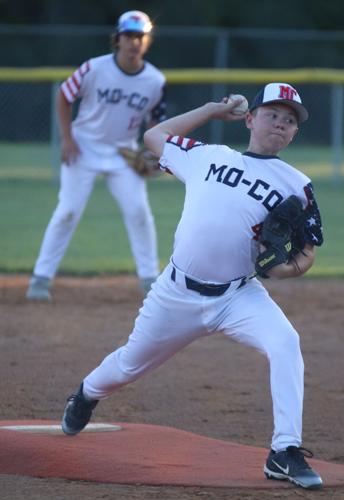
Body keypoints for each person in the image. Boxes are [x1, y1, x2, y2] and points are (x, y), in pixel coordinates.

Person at [61, 83, 324, 490]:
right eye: (273, 114)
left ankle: (283, 451)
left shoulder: (298, 185)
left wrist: (282, 271)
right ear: (251, 119)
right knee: (129, 364)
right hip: (176, 294)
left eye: (290, 121)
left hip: (239, 296)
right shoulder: (207, 156)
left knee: (285, 343)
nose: (281, 124)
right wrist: (210, 110)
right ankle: (87, 393)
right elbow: (153, 138)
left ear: (294, 134)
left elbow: (307, 252)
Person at [26, 10, 166, 301]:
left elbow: (156, 122)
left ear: (147, 41)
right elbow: (64, 96)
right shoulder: (95, 68)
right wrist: (67, 138)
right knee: (67, 211)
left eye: (139, 37)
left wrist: (155, 154)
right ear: (118, 38)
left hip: (124, 153)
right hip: (84, 146)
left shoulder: (154, 80)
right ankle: (40, 278)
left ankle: (149, 279)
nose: (133, 42)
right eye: (128, 36)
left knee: (139, 212)